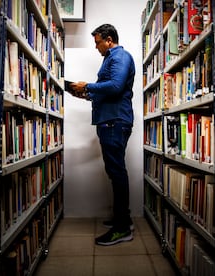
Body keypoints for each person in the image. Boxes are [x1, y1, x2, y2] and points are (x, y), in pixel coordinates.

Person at [70, 23, 135, 246]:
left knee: (117, 172)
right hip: (110, 120)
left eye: (97, 42)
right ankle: (122, 219)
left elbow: (116, 86)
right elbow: (107, 91)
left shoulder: (121, 56)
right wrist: (86, 94)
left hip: (114, 122)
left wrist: (87, 85)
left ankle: (122, 229)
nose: (96, 46)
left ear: (109, 40)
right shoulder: (110, 58)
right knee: (114, 170)